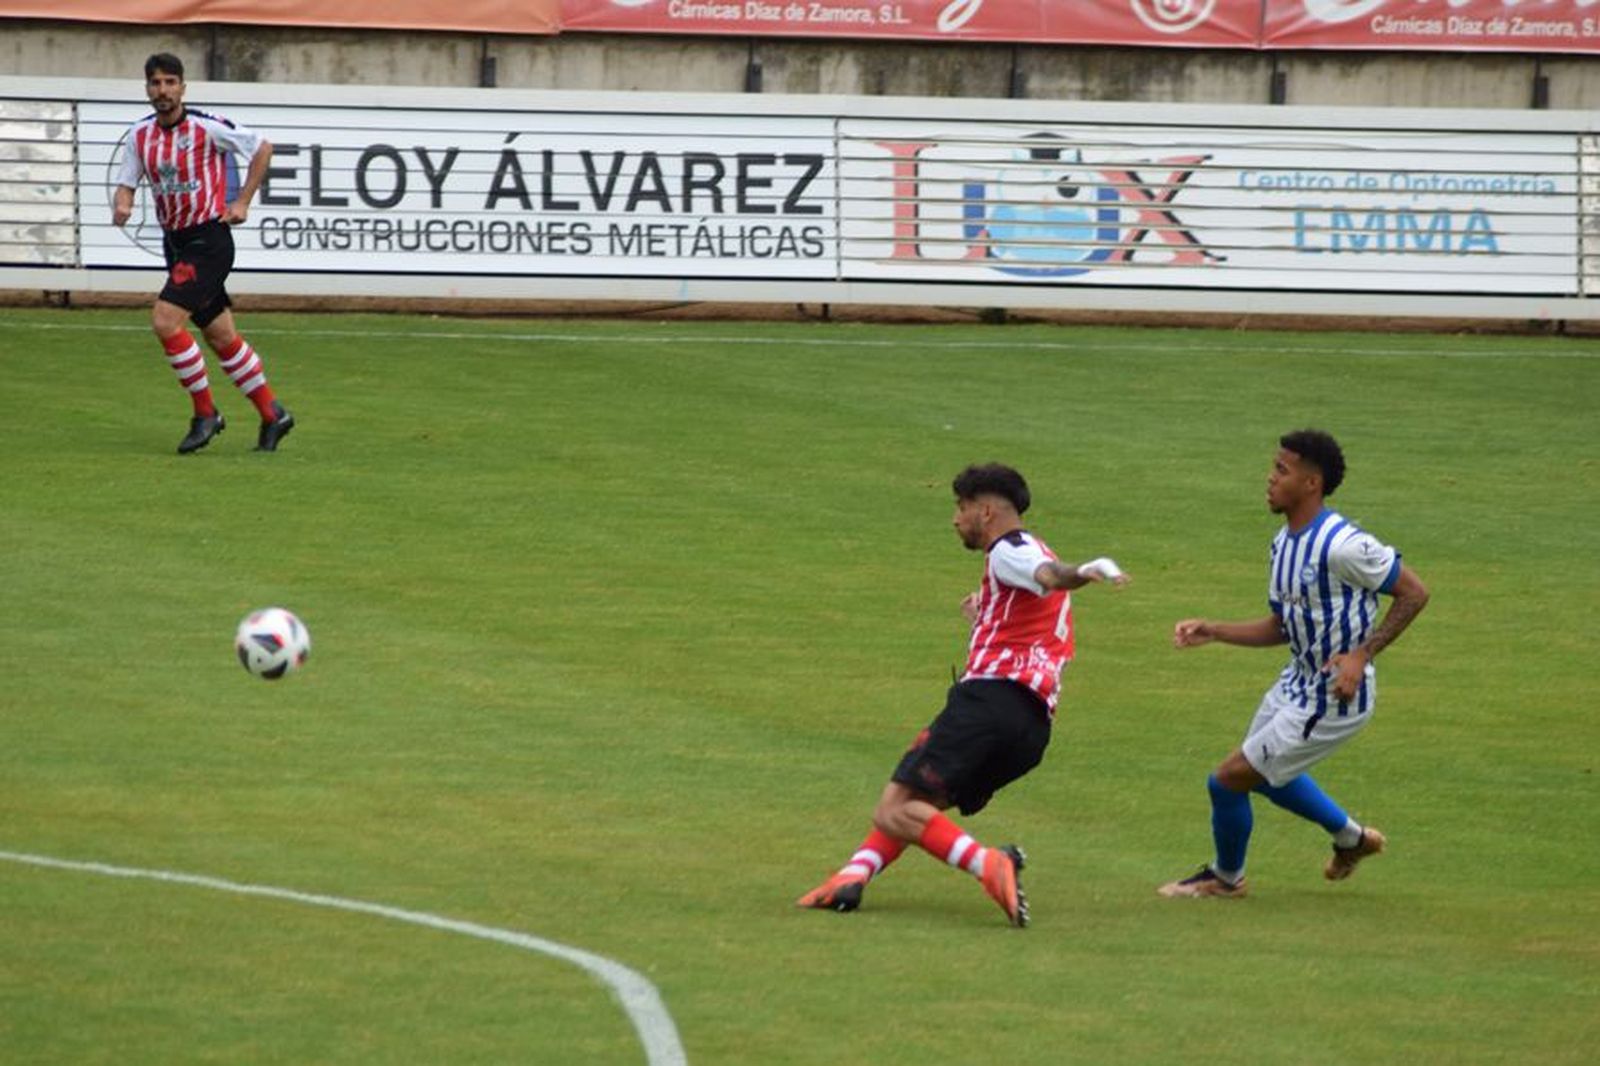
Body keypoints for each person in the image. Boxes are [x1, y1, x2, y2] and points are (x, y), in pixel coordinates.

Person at [797, 463, 1130, 927]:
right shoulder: (1030, 549)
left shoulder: (1008, 550)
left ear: (986, 511)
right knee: (918, 808)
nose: (956, 518)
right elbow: (1032, 612)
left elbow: (1050, 576)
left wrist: (1086, 570)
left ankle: (989, 864)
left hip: (989, 705)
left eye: (962, 506)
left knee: (894, 808)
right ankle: (851, 878)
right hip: (1031, 729)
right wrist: (985, 616)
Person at [1158, 429, 1429, 899]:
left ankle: (1226, 879)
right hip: (1296, 684)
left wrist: (1362, 655)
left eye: (1281, 470)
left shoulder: (1344, 545)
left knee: (1228, 781)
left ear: (1311, 483)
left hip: (1334, 697)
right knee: (1262, 775)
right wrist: (1215, 630)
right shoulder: (1283, 544)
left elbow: (1415, 593)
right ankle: (1352, 840)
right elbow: (1283, 626)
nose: (1270, 478)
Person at [112, 53, 295, 454]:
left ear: (183, 87)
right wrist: (122, 203)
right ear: (147, 89)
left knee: (165, 321)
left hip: (208, 240)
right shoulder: (139, 135)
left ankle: (206, 414)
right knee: (220, 335)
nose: (163, 90)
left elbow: (262, 148)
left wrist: (242, 201)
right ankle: (273, 414)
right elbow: (127, 182)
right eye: (156, 83)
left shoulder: (205, 126)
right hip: (176, 243)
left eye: (170, 82)